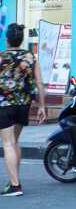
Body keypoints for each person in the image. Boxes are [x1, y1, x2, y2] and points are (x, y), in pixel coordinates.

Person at [0, 23, 47, 196]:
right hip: (24, 105)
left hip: (4, 105)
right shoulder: (30, 58)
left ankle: (15, 185)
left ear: (7, 41)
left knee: (8, 143)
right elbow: (40, 84)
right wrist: (41, 106)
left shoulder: (2, 57)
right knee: (14, 141)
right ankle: (14, 178)